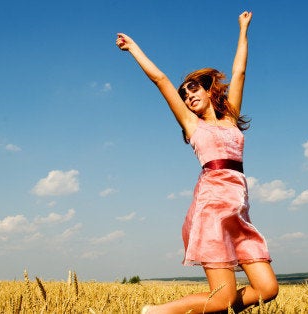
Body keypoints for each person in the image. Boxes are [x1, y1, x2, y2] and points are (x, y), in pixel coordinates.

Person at [116, 11, 278, 314]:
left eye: (194, 89)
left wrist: (243, 29)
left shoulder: (230, 120)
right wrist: (133, 48)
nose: (189, 96)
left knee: (268, 288)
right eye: (185, 94)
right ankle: (154, 312)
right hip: (213, 210)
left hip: (239, 211)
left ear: (209, 90)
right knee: (223, 300)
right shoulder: (193, 125)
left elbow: (239, 72)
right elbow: (160, 80)